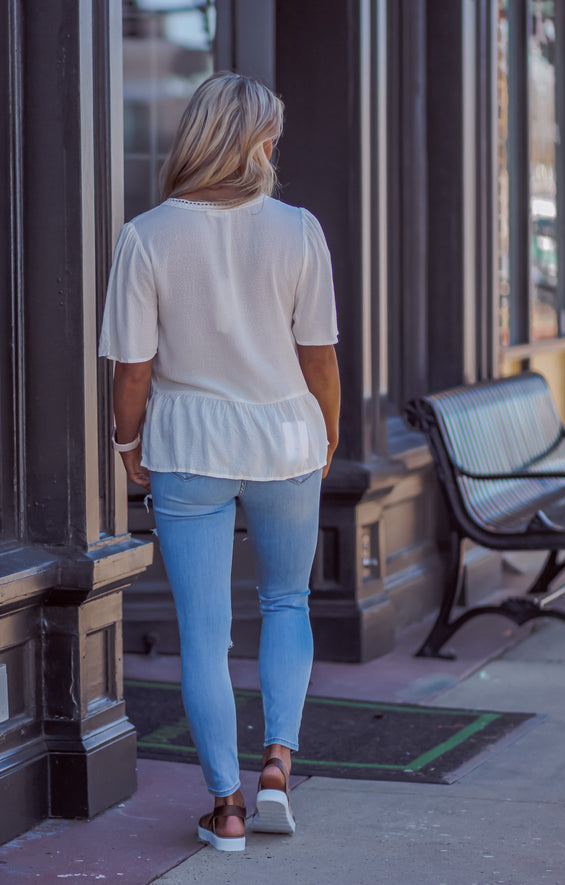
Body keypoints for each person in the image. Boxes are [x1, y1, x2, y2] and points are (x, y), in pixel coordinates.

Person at [99, 71, 340, 852]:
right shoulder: (299, 229)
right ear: (258, 141)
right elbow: (321, 360)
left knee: (203, 634)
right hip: (284, 441)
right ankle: (277, 764)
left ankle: (226, 807)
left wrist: (126, 443)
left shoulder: (147, 234)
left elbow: (132, 370)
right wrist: (326, 434)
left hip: (189, 448)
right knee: (286, 603)